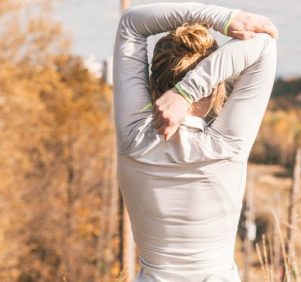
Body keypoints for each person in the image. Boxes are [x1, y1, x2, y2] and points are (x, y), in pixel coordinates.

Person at [112, 2, 278, 281]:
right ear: (214, 89)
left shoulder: (133, 139)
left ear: (153, 80)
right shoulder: (225, 147)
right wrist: (187, 91)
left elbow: (132, 23)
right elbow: (264, 45)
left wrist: (227, 19)